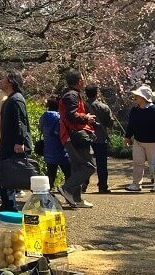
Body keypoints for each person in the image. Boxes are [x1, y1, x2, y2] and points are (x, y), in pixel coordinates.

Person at [57, 70, 97, 209]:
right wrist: (87, 117)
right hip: (74, 135)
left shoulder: (70, 94)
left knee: (77, 167)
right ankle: (66, 188)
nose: (84, 80)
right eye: (83, 78)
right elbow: (71, 115)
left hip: (71, 135)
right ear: (79, 80)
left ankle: (77, 198)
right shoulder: (71, 95)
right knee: (89, 167)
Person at [0, 71, 33, 213]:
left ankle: (10, 206)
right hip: (7, 144)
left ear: (11, 81)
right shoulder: (11, 98)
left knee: (12, 174)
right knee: (4, 174)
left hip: (14, 146)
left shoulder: (16, 99)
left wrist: (19, 141)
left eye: (3, 78)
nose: (1, 80)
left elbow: (20, 122)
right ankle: (6, 204)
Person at [123, 85, 155, 192]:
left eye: (137, 96)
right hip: (138, 141)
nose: (135, 97)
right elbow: (131, 124)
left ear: (143, 97)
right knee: (138, 162)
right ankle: (136, 184)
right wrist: (128, 137)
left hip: (153, 142)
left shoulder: (154, 110)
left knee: (154, 164)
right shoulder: (135, 110)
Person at [84, 85, 114, 194]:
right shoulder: (104, 107)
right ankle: (102, 186)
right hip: (100, 138)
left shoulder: (82, 106)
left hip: (85, 137)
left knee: (86, 162)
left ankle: (83, 184)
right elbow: (110, 123)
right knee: (102, 164)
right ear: (97, 93)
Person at [39, 96, 71, 190]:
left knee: (51, 174)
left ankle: (47, 194)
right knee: (69, 173)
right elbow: (60, 132)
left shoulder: (44, 116)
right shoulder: (58, 117)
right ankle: (68, 190)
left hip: (48, 148)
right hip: (60, 149)